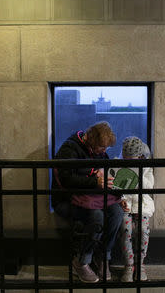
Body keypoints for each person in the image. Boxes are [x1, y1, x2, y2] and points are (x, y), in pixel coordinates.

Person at [52, 121, 123, 283]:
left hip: (92, 197)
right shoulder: (69, 149)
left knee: (117, 213)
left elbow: (104, 170)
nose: (104, 152)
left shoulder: (99, 151)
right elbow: (66, 179)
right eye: (101, 148)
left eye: (106, 149)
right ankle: (81, 261)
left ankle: (103, 256)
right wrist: (95, 182)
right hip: (67, 200)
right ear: (91, 141)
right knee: (96, 216)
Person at [118, 136, 155, 282]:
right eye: (126, 158)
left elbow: (149, 186)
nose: (127, 161)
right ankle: (129, 265)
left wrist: (135, 173)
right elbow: (117, 187)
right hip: (125, 203)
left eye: (131, 159)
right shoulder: (117, 163)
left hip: (142, 203)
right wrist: (120, 199)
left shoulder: (147, 166)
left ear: (139, 156)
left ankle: (140, 265)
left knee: (143, 230)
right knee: (125, 229)